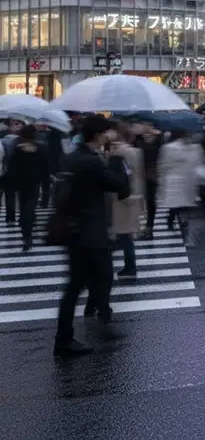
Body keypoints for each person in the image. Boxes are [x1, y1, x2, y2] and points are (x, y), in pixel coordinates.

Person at [53, 115, 130, 357]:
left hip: (76, 231)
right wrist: (117, 159)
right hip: (89, 234)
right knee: (99, 278)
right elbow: (121, 188)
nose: (112, 136)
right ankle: (87, 330)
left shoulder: (74, 156)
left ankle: (71, 335)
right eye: (108, 132)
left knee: (79, 285)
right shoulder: (90, 162)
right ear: (99, 135)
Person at [158, 128, 205, 248]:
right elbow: (163, 167)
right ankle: (185, 235)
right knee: (181, 211)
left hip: (188, 184)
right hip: (174, 184)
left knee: (184, 210)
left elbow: (199, 164)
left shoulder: (195, 148)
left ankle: (179, 227)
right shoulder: (169, 148)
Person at [112, 123, 144, 277]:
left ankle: (130, 266)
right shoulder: (136, 152)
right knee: (126, 233)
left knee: (124, 234)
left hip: (122, 196)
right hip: (134, 194)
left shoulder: (119, 152)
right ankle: (129, 265)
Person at [7, 124, 45, 252]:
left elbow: (11, 168)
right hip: (34, 184)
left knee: (24, 207)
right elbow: (45, 167)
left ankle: (26, 233)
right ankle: (28, 228)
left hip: (21, 184)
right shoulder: (40, 149)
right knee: (30, 207)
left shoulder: (17, 150)